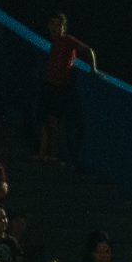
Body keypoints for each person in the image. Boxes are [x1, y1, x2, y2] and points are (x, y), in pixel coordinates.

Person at [36, 13, 94, 160]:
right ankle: (42, 153)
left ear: (64, 27)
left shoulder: (68, 41)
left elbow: (89, 50)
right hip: (48, 84)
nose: (55, 28)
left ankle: (53, 154)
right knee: (44, 120)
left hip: (60, 86)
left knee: (54, 121)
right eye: (52, 24)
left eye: (58, 25)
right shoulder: (51, 41)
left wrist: (94, 69)